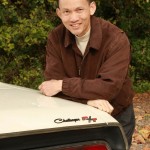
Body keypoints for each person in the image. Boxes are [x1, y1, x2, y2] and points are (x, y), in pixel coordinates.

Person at [39, 0, 135, 147]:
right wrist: (87, 102)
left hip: (115, 114)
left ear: (92, 8)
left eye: (79, 10)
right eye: (67, 12)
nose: (73, 18)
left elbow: (108, 88)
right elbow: (51, 87)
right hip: (73, 114)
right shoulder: (55, 37)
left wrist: (62, 85)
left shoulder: (116, 38)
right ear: (59, 13)